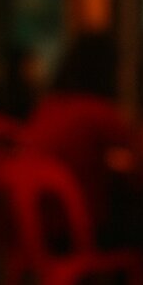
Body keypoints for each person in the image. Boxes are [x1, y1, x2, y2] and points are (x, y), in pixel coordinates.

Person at [24, 29, 136, 237]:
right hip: (76, 230)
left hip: (35, 230)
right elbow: (139, 157)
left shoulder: (48, 106)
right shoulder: (97, 110)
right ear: (108, 70)